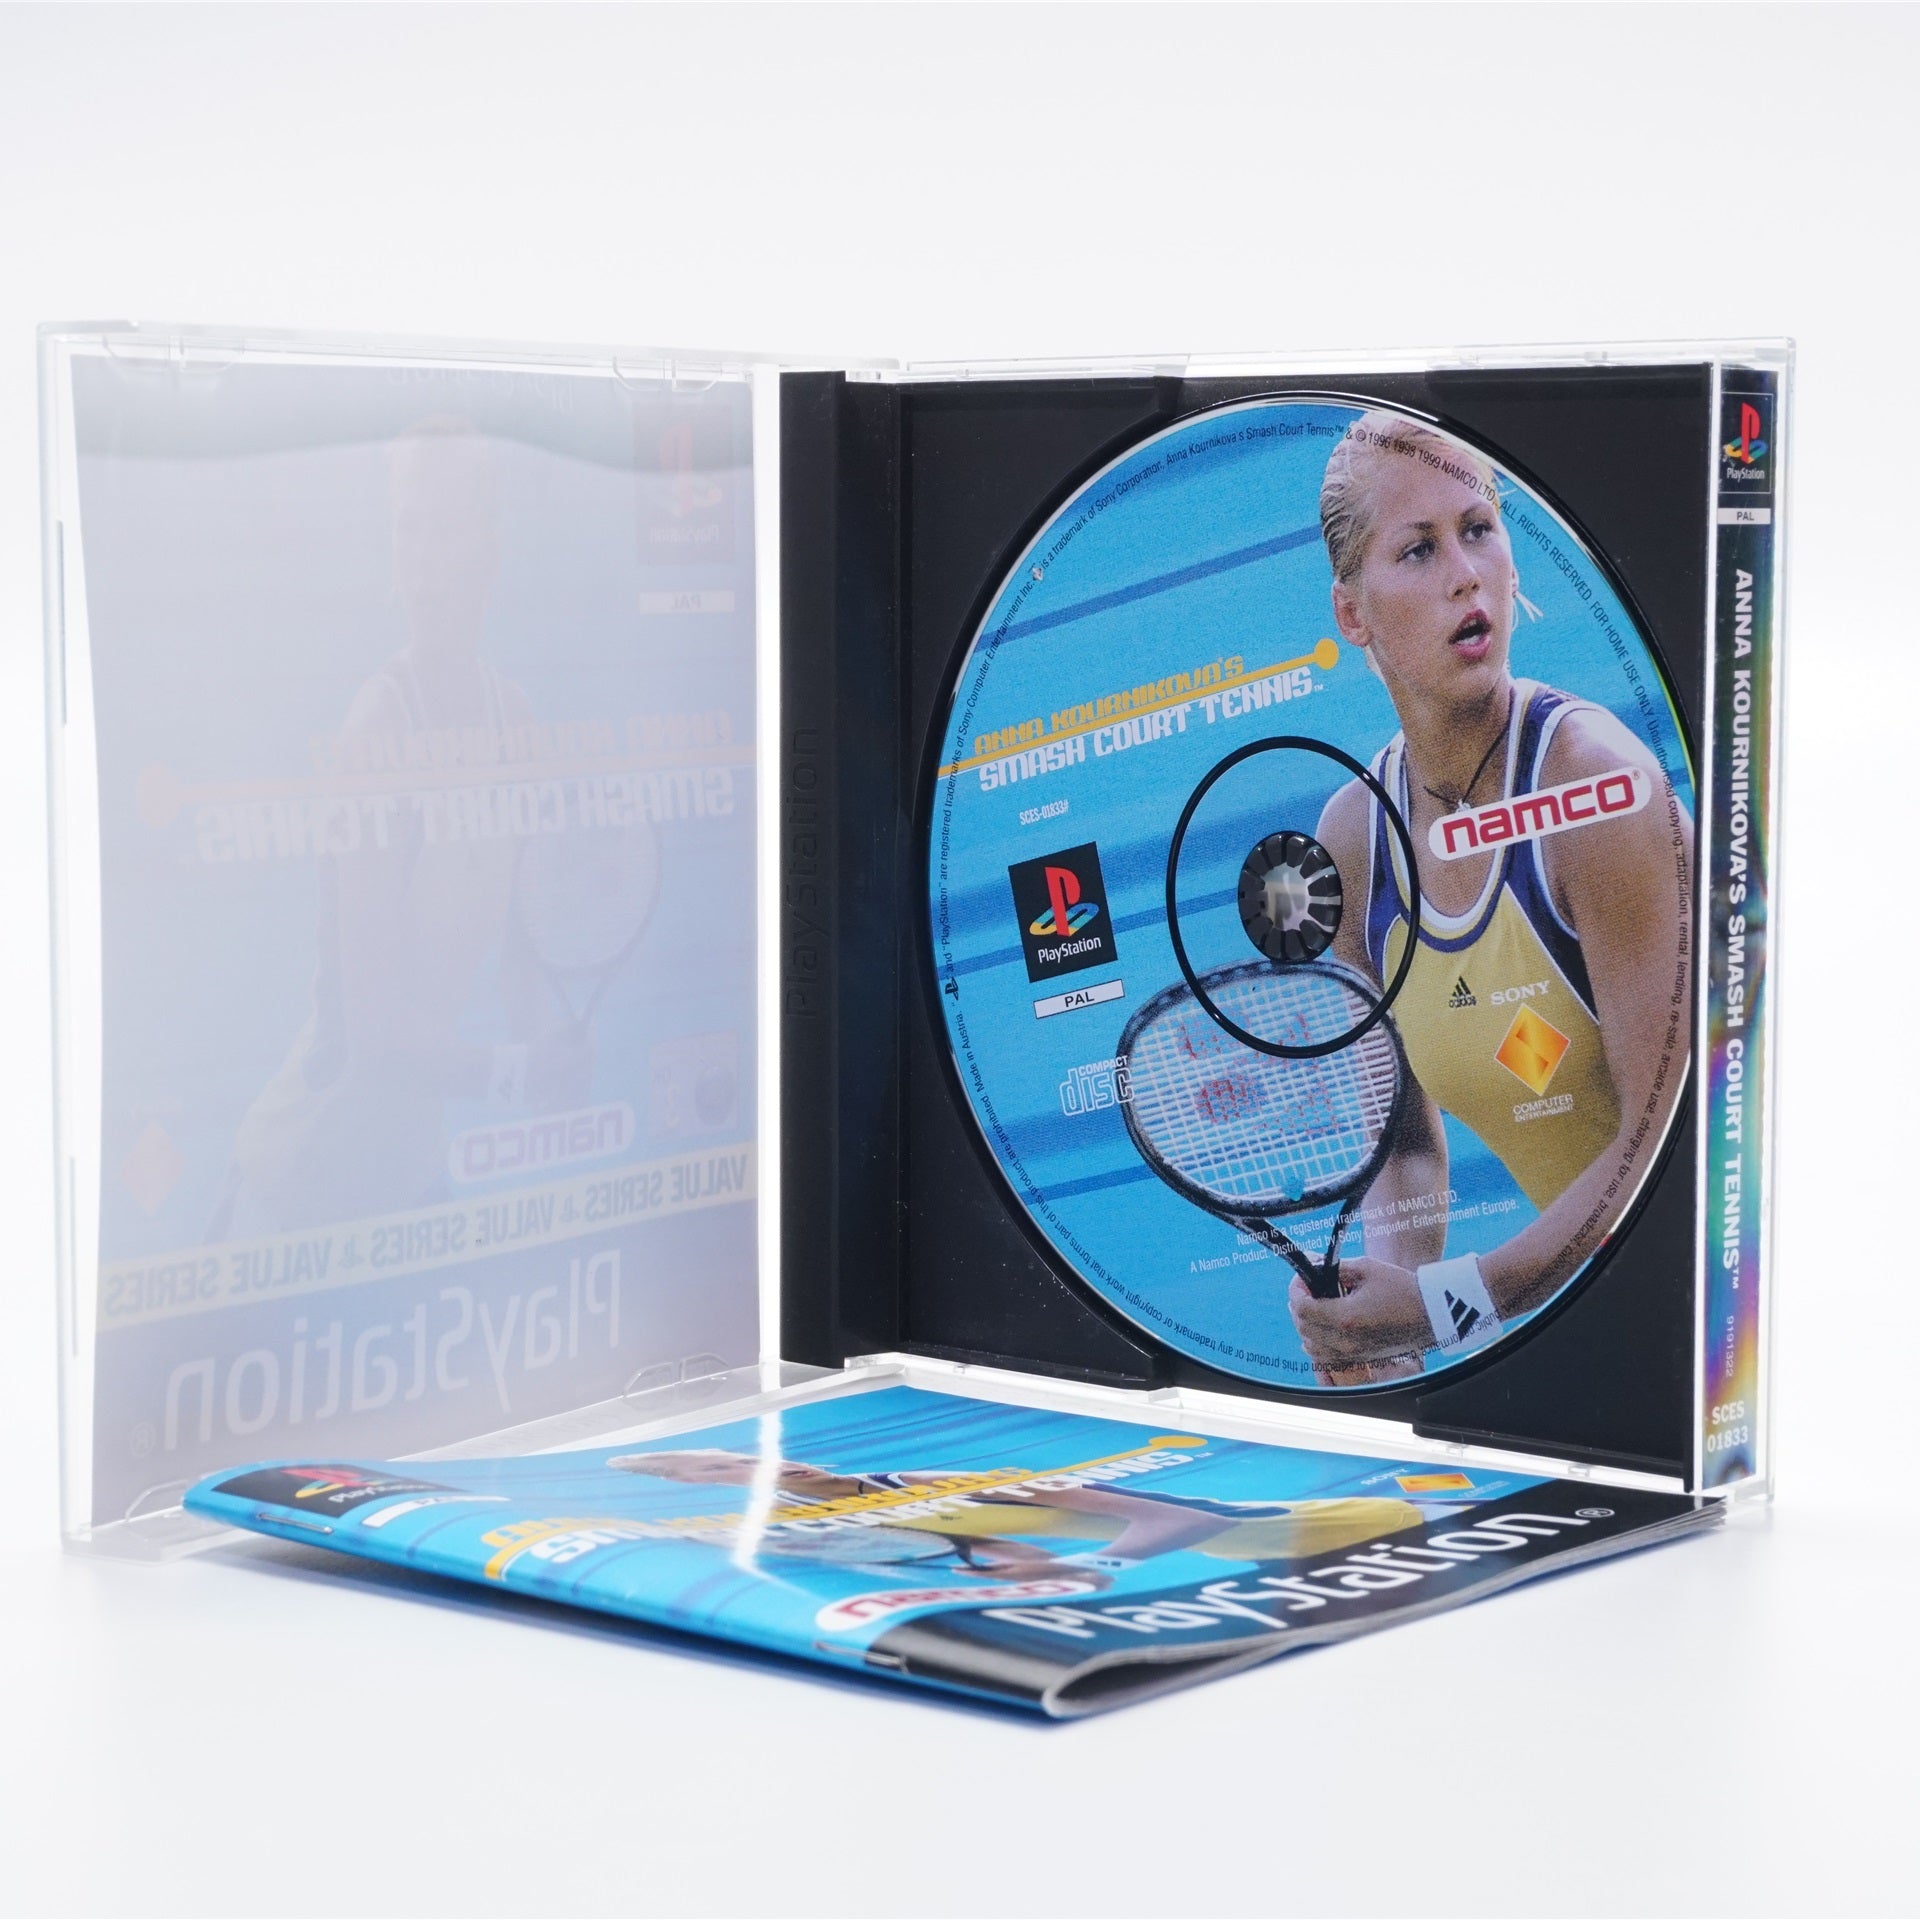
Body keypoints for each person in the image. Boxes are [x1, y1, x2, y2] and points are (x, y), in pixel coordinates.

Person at [1289, 412, 1691, 1382]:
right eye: (1418, 549)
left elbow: (1663, 1144)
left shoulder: (1597, 788)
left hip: (1735, 1284)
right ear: (1353, 614)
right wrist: (1385, 1312)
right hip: (1611, 1316)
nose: (1467, 574)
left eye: (1478, 530)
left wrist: (1440, 1309)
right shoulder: (1354, 841)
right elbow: (1406, 1152)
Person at [611, 1445, 1438, 1579]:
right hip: (1306, 1564)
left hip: (1373, 1528)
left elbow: (1180, 1520)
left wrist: (1094, 1568)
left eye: (738, 1456)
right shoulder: (893, 1524)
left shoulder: (926, 1485)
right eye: (722, 1472)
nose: (762, 1468)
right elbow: (1024, 1561)